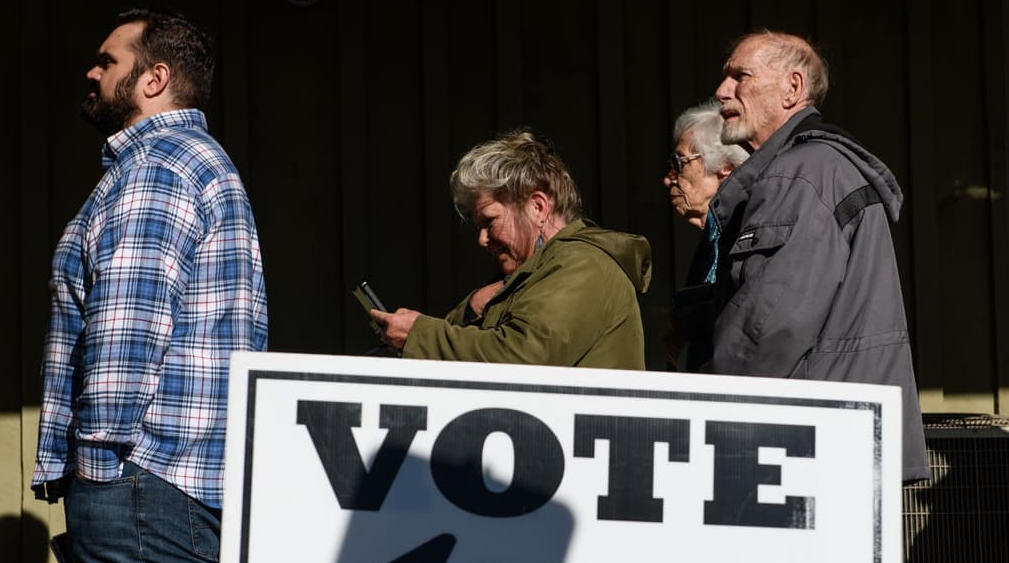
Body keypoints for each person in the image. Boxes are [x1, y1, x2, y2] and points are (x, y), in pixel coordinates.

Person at [30, 8, 268, 563]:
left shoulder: (159, 165)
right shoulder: (192, 163)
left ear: (154, 78)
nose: (91, 72)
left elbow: (126, 332)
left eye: (108, 60)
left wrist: (93, 466)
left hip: (141, 480)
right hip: (168, 486)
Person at [707, 29, 929, 481]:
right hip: (837, 441)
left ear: (792, 88)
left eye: (740, 76)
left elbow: (768, 324)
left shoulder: (801, 175)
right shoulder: (814, 169)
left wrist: (708, 408)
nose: (722, 91)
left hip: (811, 450)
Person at [371, 130, 652, 370]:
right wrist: (471, 309)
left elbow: (522, 357)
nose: (482, 239)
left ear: (538, 207)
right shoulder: (535, 274)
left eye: (490, 221)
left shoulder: (585, 265)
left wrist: (418, 336)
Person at [664, 99, 750, 371]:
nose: (669, 178)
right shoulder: (711, 239)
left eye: (680, 162)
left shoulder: (747, 234)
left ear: (724, 166)